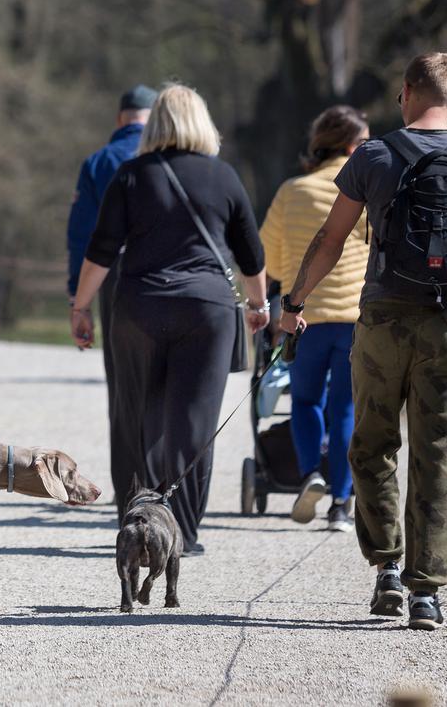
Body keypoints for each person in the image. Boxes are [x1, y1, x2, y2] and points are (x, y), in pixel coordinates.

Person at [278, 52, 447, 631]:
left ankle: (386, 569)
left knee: (372, 443)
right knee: (439, 457)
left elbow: (332, 239)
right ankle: (427, 593)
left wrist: (294, 304)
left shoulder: (373, 155)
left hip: (383, 320)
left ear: (405, 93)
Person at [71, 83, 268, 556]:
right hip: (208, 312)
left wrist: (81, 306)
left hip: (139, 306)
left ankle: (135, 523)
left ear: (155, 123)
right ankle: (182, 533)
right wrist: (259, 306)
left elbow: (100, 249)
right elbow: (251, 253)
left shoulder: (132, 175)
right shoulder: (224, 177)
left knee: (137, 418)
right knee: (193, 425)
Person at [259, 105, 370, 532]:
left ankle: (311, 474)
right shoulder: (366, 189)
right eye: (364, 141)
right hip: (356, 317)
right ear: (348, 145)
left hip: (302, 318)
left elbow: (267, 255)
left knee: (305, 401)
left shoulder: (293, 190)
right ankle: (341, 505)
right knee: (345, 407)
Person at [66, 84, 155, 495]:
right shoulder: (176, 156)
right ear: (152, 118)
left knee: (124, 386)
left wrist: (77, 300)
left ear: (121, 118)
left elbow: (82, 233)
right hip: (174, 271)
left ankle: (131, 486)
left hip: (114, 274)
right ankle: (167, 486)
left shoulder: (100, 162)